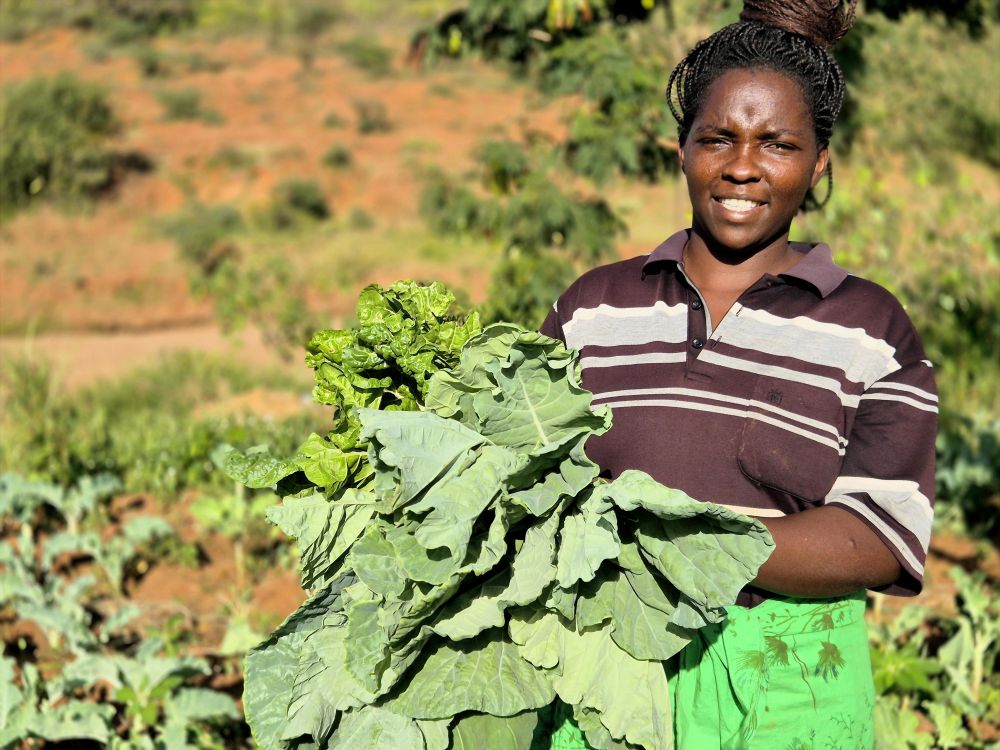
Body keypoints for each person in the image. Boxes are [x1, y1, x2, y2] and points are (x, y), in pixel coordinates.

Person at [539, 1, 938, 748]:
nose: (743, 166)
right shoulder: (590, 310)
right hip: (605, 670)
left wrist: (675, 538)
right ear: (681, 149)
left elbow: (881, 537)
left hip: (790, 686)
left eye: (777, 143)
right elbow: (523, 481)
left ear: (819, 162)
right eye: (716, 137)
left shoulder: (869, 329)